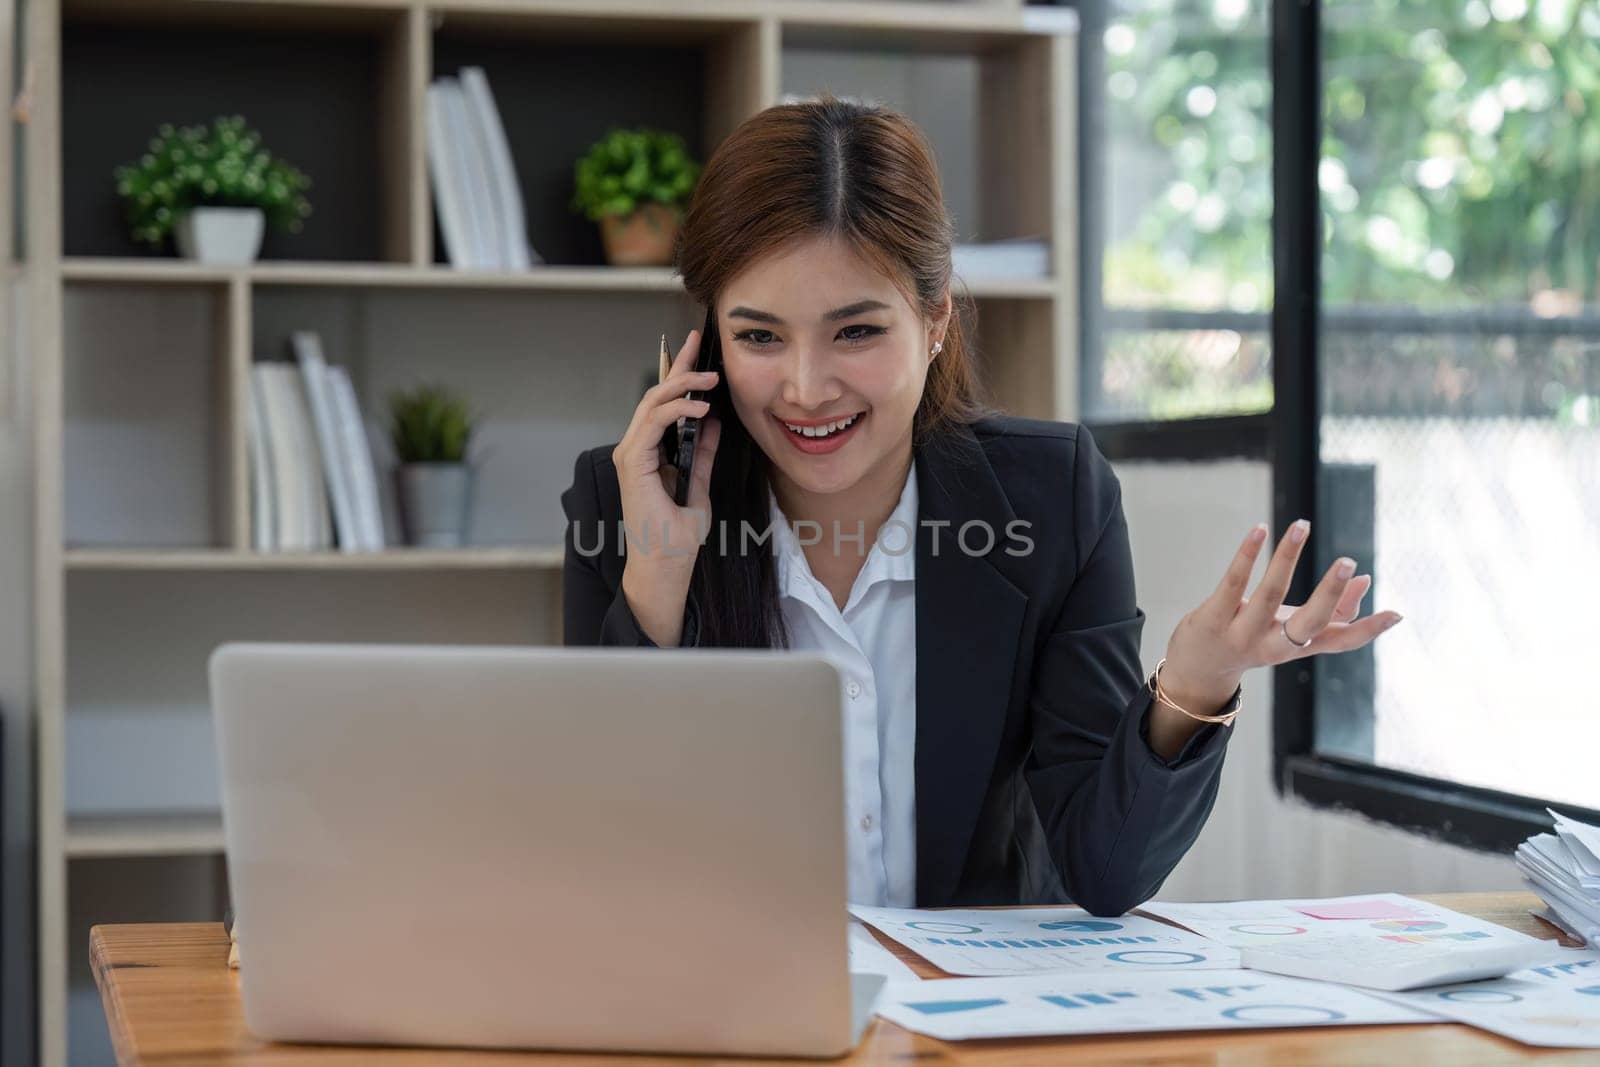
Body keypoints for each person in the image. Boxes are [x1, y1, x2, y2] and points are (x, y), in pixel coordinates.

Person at [560, 95, 1402, 914]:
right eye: (759, 336)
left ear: (934, 321)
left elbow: (1104, 873)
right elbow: (602, 864)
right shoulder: (625, 500)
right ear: (705, 340)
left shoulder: (1053, 497)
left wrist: (1195, 684)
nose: (806, 389)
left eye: (856, 331)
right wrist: (658, 584)